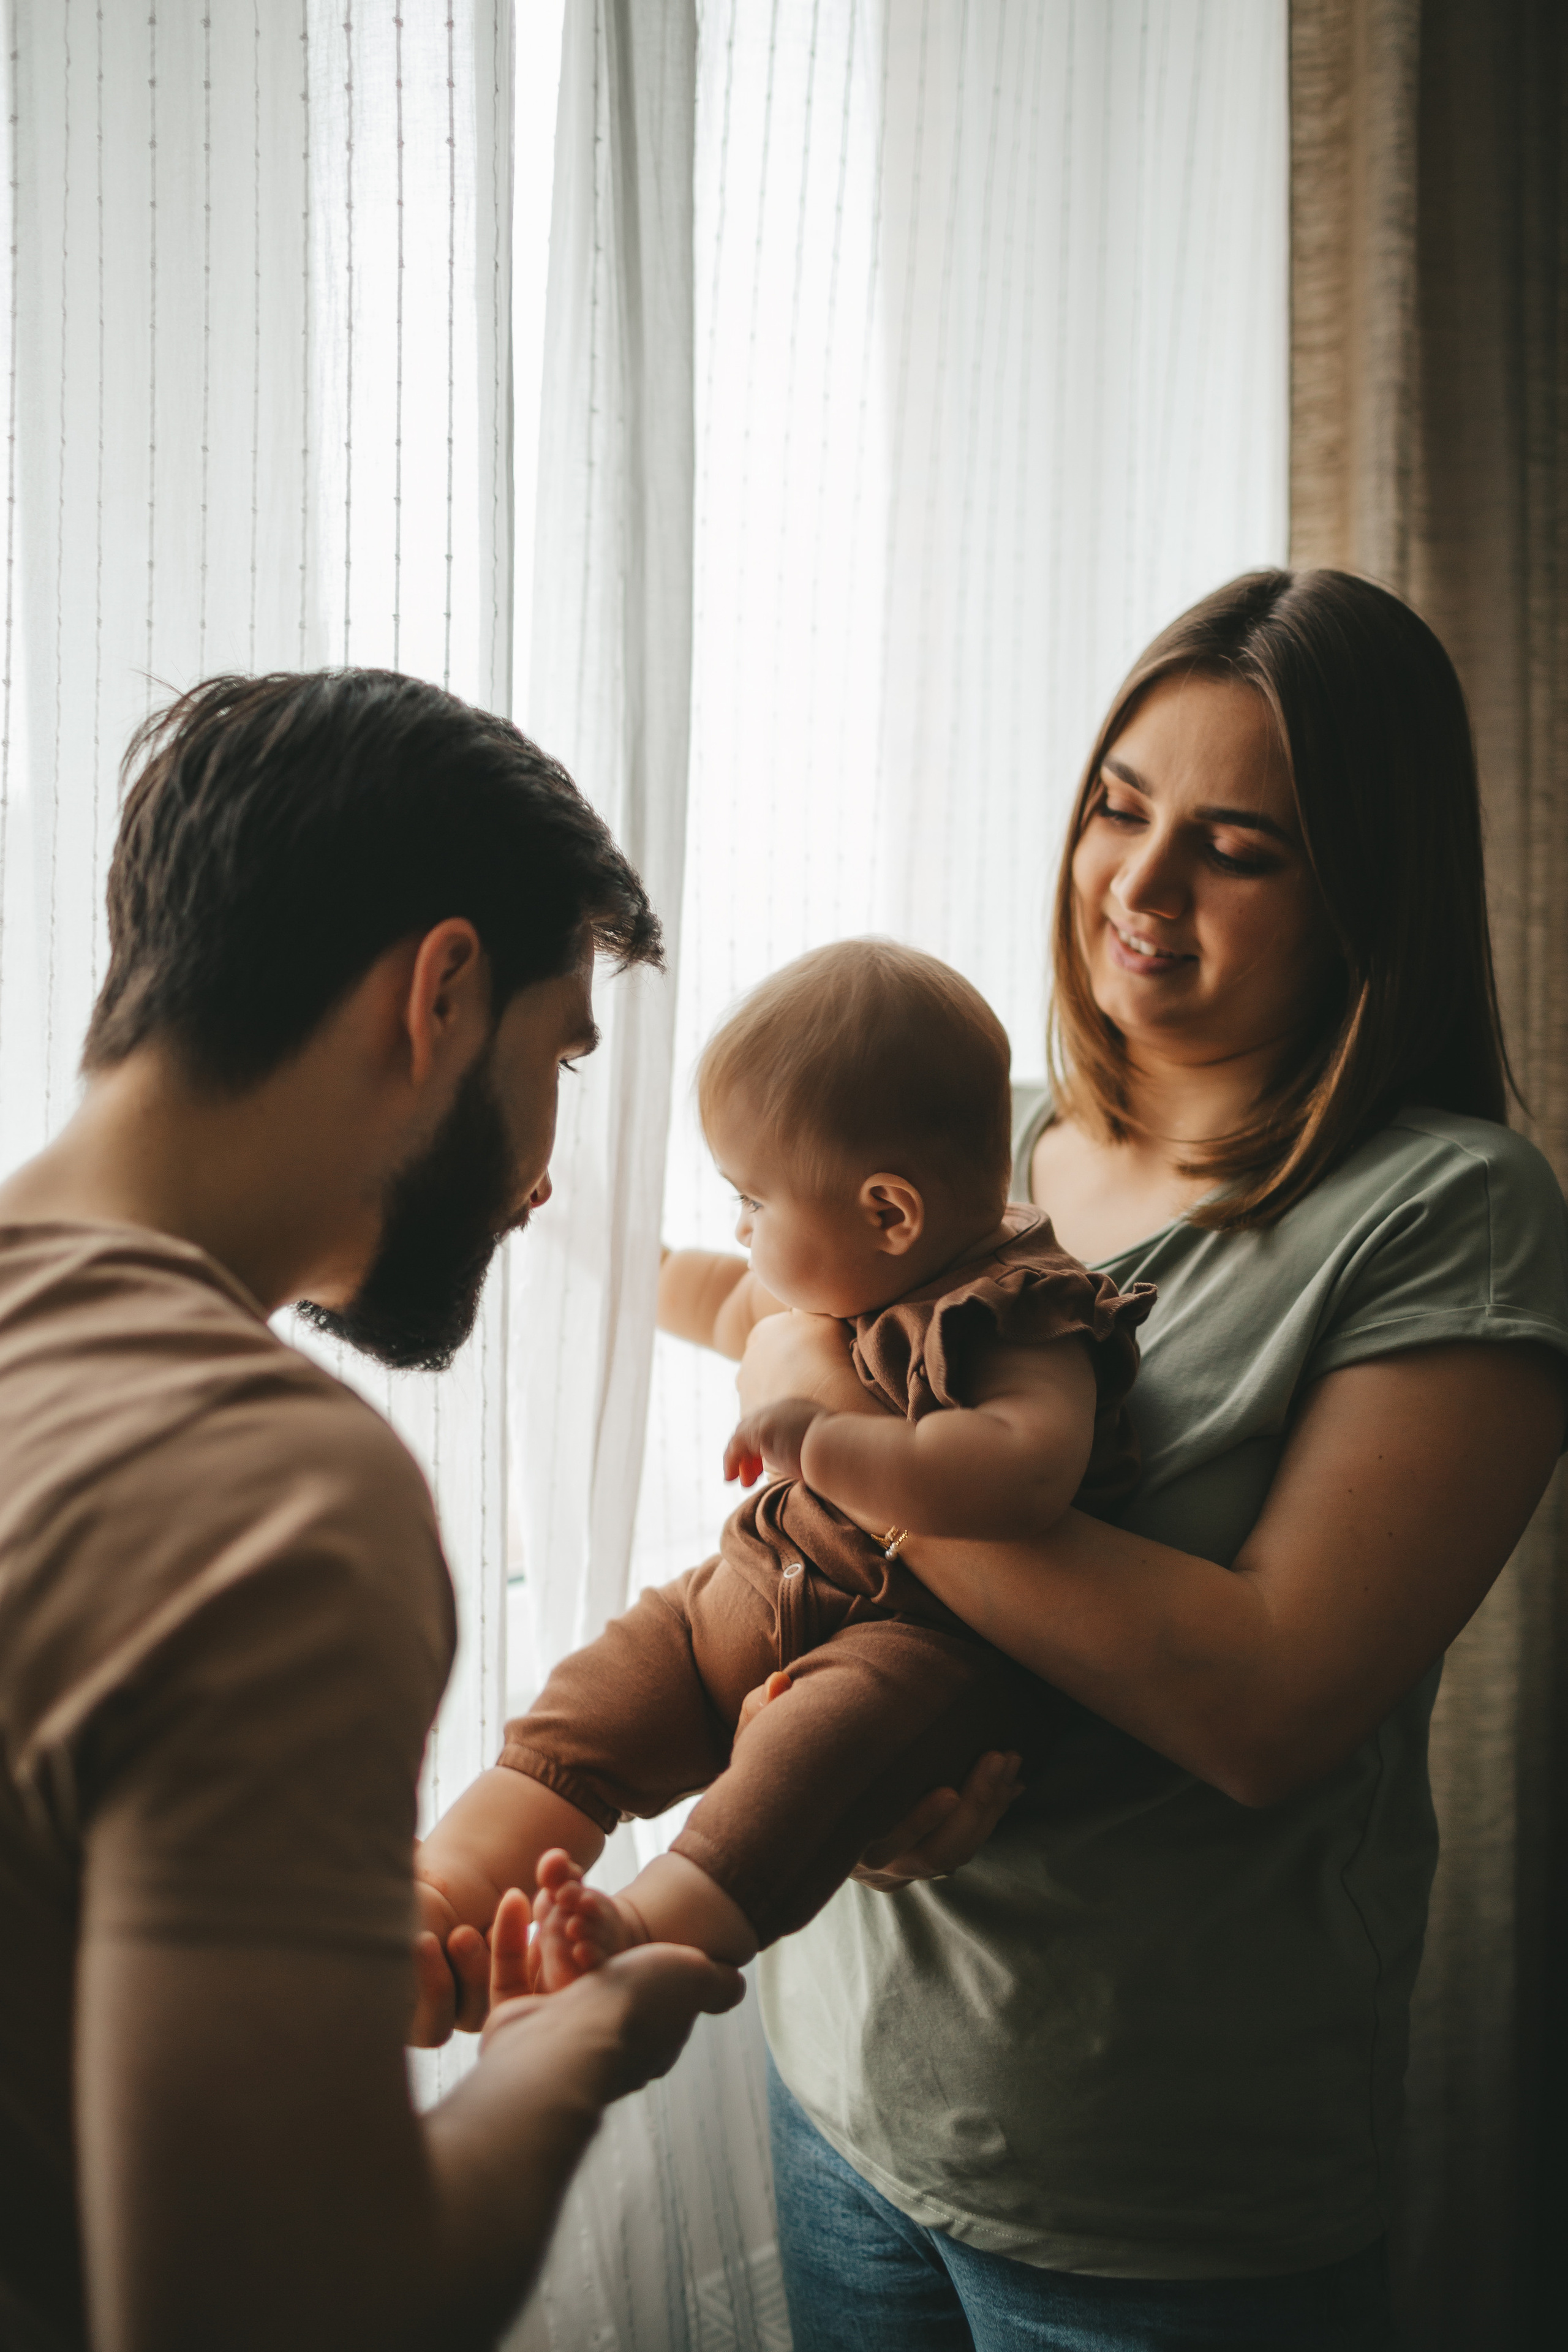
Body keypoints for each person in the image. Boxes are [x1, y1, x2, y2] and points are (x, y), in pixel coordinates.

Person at [686, 571, 1568, 2350]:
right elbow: (768, 1317)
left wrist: (843, 1439)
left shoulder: (1449, 1214)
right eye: (1119, 808)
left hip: (1153, 2183)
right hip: (847, 2082)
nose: (1141, 887)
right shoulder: (991, 1141)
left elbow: (1266, 1704)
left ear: (1359, 892)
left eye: (1236, 846)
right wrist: (870, 1759)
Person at [0, 668, 753, 2352]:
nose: (545, 1172)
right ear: (442, 992)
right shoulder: (271, 1497)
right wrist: (562, 2060)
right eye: (560, 1051)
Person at [411, 940, 1152, 1986]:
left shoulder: (1025, 1312)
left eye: (753, 1203)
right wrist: (617, 1256)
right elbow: (719, 1296)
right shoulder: (838, 1270)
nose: (741, 1226)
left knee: (806, 1768)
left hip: (912, 1652)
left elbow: (1024, 1475)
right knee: (604, 1688)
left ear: (888, 1211)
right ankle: (445, 1887)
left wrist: (820, 1439)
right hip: (748, 1594)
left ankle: (644, 1934)